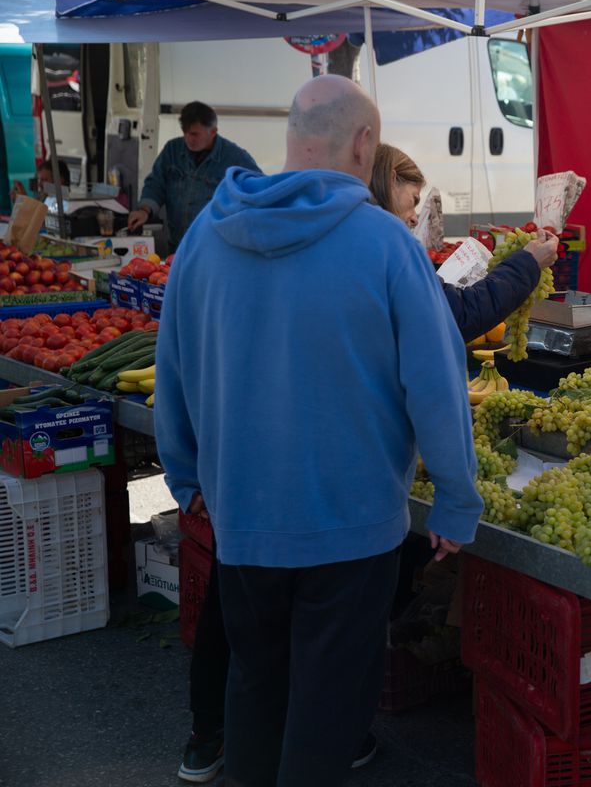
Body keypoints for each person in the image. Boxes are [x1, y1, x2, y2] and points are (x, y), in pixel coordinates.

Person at [173, 144, 558, 784]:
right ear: (363, 147)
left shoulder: (205, 236)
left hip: (245, 516)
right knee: (327, 707)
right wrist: (458, 502)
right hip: (351, 524)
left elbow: (177, 357)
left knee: (257, 685)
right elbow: (434, 383)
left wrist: (186, 474)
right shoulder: (385, 246)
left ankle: (227, 755)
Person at [370, 143, 559, 341]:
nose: (415, 218)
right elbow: (460, 315)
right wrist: (529, 262)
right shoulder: (388, 254)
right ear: (391, 181)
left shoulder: (356, 240)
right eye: (414, 199)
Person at [127, 101, 259, 251]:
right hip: (178, 246)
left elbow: (259, 190)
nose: (189, 139)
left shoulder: (235, 158)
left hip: (216, 249)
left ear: (213, 131)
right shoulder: (172, 150)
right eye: (185, 133)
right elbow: (156, 183)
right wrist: (144, 210)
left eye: (195, 134)